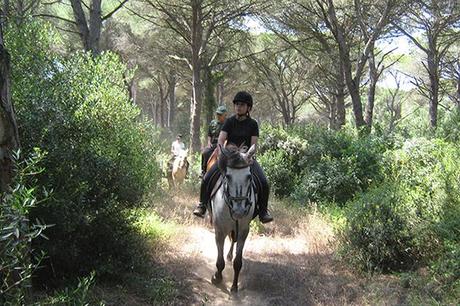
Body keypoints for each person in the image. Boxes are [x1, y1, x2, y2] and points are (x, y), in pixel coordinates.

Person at [193, 91, 273, 223]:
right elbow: (221, 139)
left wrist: (250, 156)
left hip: (246, 159)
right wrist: (220, 151)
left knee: (264, 182)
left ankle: (263, 211)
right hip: (229, 158)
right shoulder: (229, 122)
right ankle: (202, 205)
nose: (238, 107)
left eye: (242, 104)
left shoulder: (253, 124)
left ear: (248, 107)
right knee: (207, 178)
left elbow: (253, 144)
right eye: (236, 104)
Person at [201, 105, 227, 176]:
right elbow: (209, 134)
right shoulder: (213, 123)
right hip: (214, 144)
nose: (218, 116)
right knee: (205, 152)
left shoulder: (228, 123)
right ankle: (203, 171)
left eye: (220, 114)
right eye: (217, 114)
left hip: (224, 145)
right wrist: (209, 143)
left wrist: (224, 146)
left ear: (225, 115)